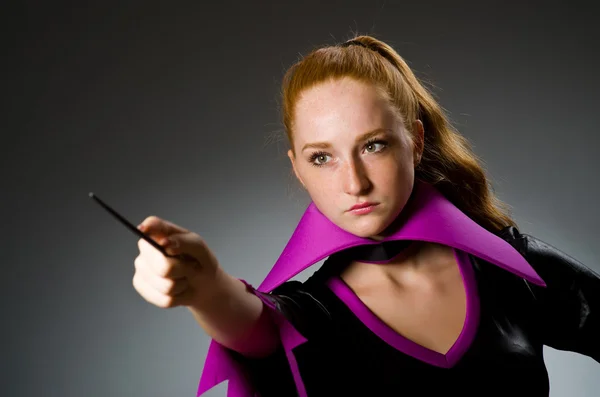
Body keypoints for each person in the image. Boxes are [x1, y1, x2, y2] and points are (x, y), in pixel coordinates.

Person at [132, 35, 600, 396]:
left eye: (373, 145)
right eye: (322, 157)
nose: (354, 182)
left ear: (415, 142)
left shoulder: (510, 267)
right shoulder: (313, 314)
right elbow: (258, 328)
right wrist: (207, 286)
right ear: (297, 168)